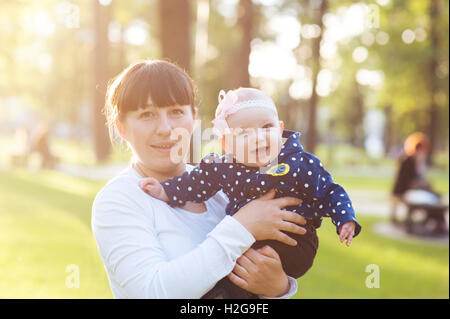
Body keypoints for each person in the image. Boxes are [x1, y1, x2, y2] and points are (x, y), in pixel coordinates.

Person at [91, 60, 309, 299]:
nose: (165, 128)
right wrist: (243, 227)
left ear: (193, 117)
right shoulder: (119, 199)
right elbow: (151, 293)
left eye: (176, 111)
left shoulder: (225, 184)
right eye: (147, 114)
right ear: (121, 127)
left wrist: (278, 289)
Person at [140, 87, 361, 298]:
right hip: (247, 241)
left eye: (266, 126)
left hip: (296, 242)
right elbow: (194, 183)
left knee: (237, 268)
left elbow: (329, 191)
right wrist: (165, 191)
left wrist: (344, 219)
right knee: (230, 273)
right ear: (226, 142)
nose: (259, 137)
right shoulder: (224, 167)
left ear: (280, 128)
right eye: (244, 132)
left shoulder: (298, 162)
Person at [391, 132, 446, 232]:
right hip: (404, 191)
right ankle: (437, 222)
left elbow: (419, 179)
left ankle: (437, 222)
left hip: (413, 190)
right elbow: (407, 182)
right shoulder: (407, 161)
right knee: (431, 199)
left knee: (435, 197)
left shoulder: (416, 161)